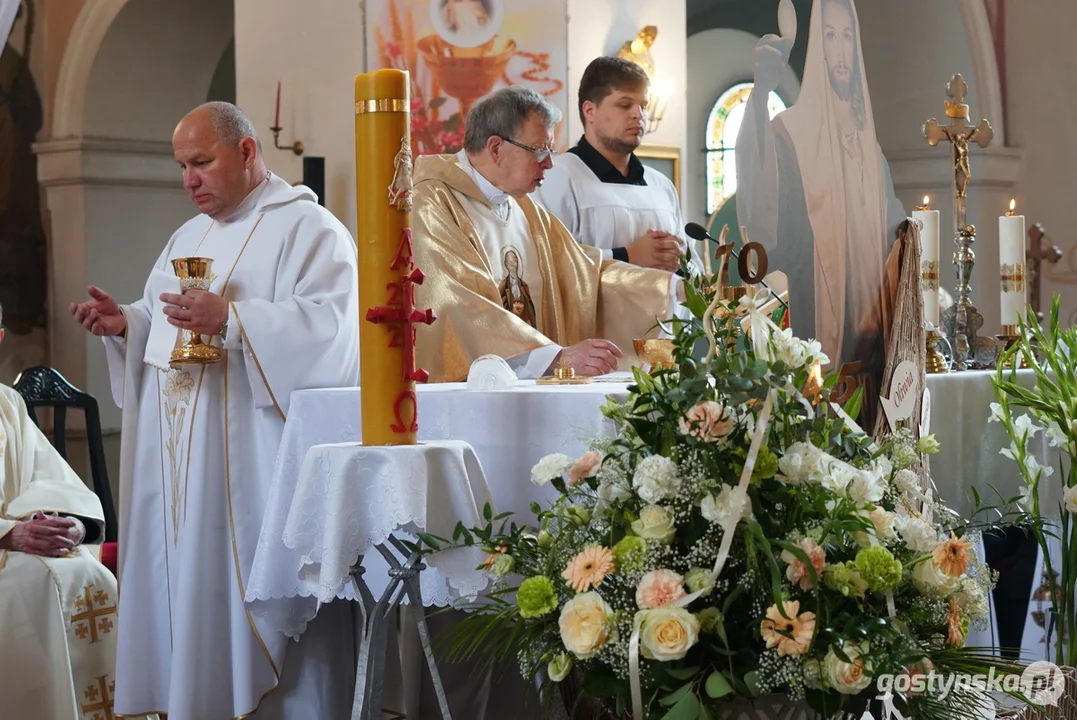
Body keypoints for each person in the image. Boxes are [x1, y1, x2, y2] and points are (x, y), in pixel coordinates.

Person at [69, 102, 360, 719]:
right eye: (182, 166)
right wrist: (128, 323)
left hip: (254, 466)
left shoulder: (312, 231)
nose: (189, 180)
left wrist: (233, 318)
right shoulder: (188, 237)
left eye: (202, 162)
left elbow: (332, 334)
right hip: (185, 468)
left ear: (249, 152)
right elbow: (162, 313)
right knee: (188, 589)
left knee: (256, 604)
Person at [412, 85, 685, 384]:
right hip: (471, 395)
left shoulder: (524, 208)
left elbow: (584, 273)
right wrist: (553, 358)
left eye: (550, 151)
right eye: (539, 151)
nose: (549, 163)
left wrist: (668, 290)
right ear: (495, 148)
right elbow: (452, 300)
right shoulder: (431, 201)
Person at [736, 0, 905, 399]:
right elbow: (763, 211)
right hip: (814, 316)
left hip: (872, 337)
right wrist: (761, 94)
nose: (841, 49)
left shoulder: (869, 146)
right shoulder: (789, 132)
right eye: (830, 36)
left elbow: (895, 233)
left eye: (848, 36)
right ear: (818, 48)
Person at [0, 302, 120, 719]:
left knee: (86, 572)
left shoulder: (7, 404)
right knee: (36, 583)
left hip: (15, 547)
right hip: (7, 551)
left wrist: (70, 523)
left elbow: (48, 477)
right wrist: (7, 533)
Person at [534, 56, 703, 274]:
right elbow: (548, 261)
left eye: (643, 106)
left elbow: (694, 270)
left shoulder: (661, 186)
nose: (638, 115)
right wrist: (627, 255)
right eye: (625, 105)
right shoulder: (557, 176)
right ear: (589, 111)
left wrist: (680, 262)